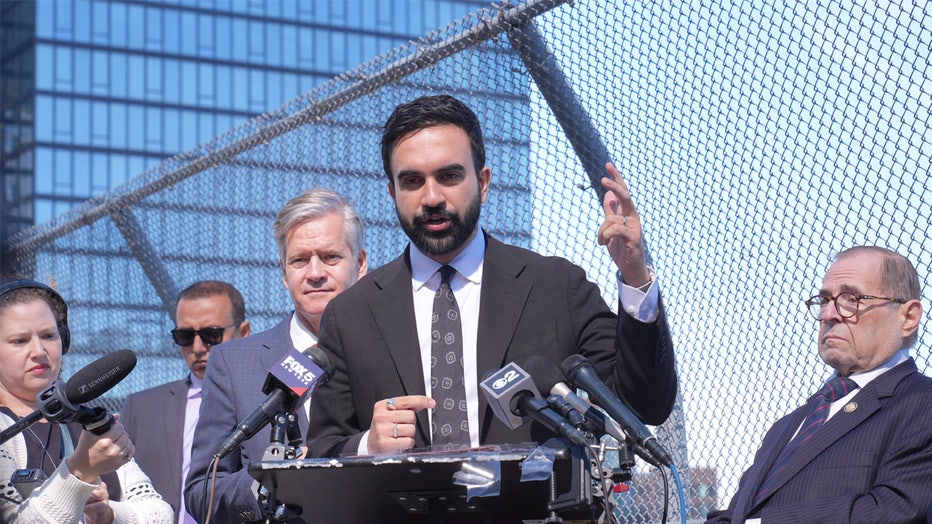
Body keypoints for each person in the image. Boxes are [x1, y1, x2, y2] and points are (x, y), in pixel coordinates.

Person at [306, 94, 677, 458]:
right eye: (412, 181)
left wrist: (634, 276)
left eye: (449, 176)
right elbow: (321, 449)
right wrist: (366, 445)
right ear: (392, 192)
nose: (432, 196)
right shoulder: (350, 315)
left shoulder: (555, 286)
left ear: (483, 183)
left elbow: (643, 406)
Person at [705, 246, 932, 523]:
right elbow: (736, 514)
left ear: (908, 317)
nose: (828, 314)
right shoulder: (788, 425)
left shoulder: (922, 404)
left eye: (851, 299)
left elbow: (897, 510)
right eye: (824, 300)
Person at [184, 188, 368, 523]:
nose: (314, 273)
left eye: (330, 257)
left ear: (360, 263)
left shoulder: (391, 349)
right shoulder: (232, 363)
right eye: (300, 260)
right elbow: (201, 491)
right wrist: (276, 478)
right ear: (284, 273)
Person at [0, 279, 173, 523]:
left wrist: (108, 514)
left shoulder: (88, 424)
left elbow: (161, 514)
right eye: (20, 340)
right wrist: (81, 470)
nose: (39, 351)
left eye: (49, 336)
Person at [122, 280, 251, 523]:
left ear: (244, 332)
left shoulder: (267, 403)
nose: (198, 347)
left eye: (211, 334)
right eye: (185, 336)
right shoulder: (140, 408)